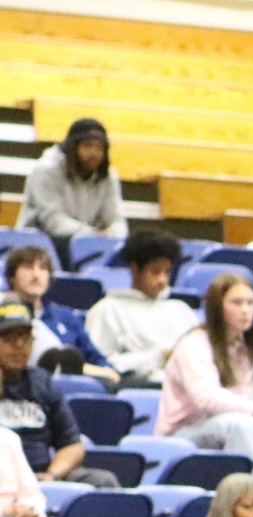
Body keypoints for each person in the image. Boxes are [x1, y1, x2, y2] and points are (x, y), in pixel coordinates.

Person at [157, 274, 253, 473]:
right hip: (183, 431)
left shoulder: (245, 347)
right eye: (236, 303)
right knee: (240, 424)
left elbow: (247, 395)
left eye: (250, 303)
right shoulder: (193, 345)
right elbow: (205, 398)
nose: (245, 310)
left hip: (221, 425)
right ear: (217, 307)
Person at [0, 299, 118, 488]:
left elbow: (72, 446)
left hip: (41, 477)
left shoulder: (44, 383)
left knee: (103, 481)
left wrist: (52, 475)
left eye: (25, 336)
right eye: (9, 338)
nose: (19, 345)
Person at [84, 230, 198, 387]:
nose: (162, 280)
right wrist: (160, 356)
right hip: (141, 385)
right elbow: (101, 365)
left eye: (167, 272)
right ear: (135, 270)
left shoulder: (181, 310)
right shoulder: (107, 309)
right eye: (155, 272)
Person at [17, 117, 125, 268]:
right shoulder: (46, 170)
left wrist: (113, 234)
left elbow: (116, 219)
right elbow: (52, 221)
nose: (94, 152)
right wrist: (92, 234)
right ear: (72, 147)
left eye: (99, 147)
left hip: (87, 246)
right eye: (88, 146)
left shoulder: (108, 176)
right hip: (42, 245)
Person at [6, 245, 116, 386]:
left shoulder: (66, 316)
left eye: (43, 268)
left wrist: (105, 371)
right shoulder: (5, 314)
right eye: (28, 268)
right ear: (12, 276)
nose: (36, 275)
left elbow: (96, 358)